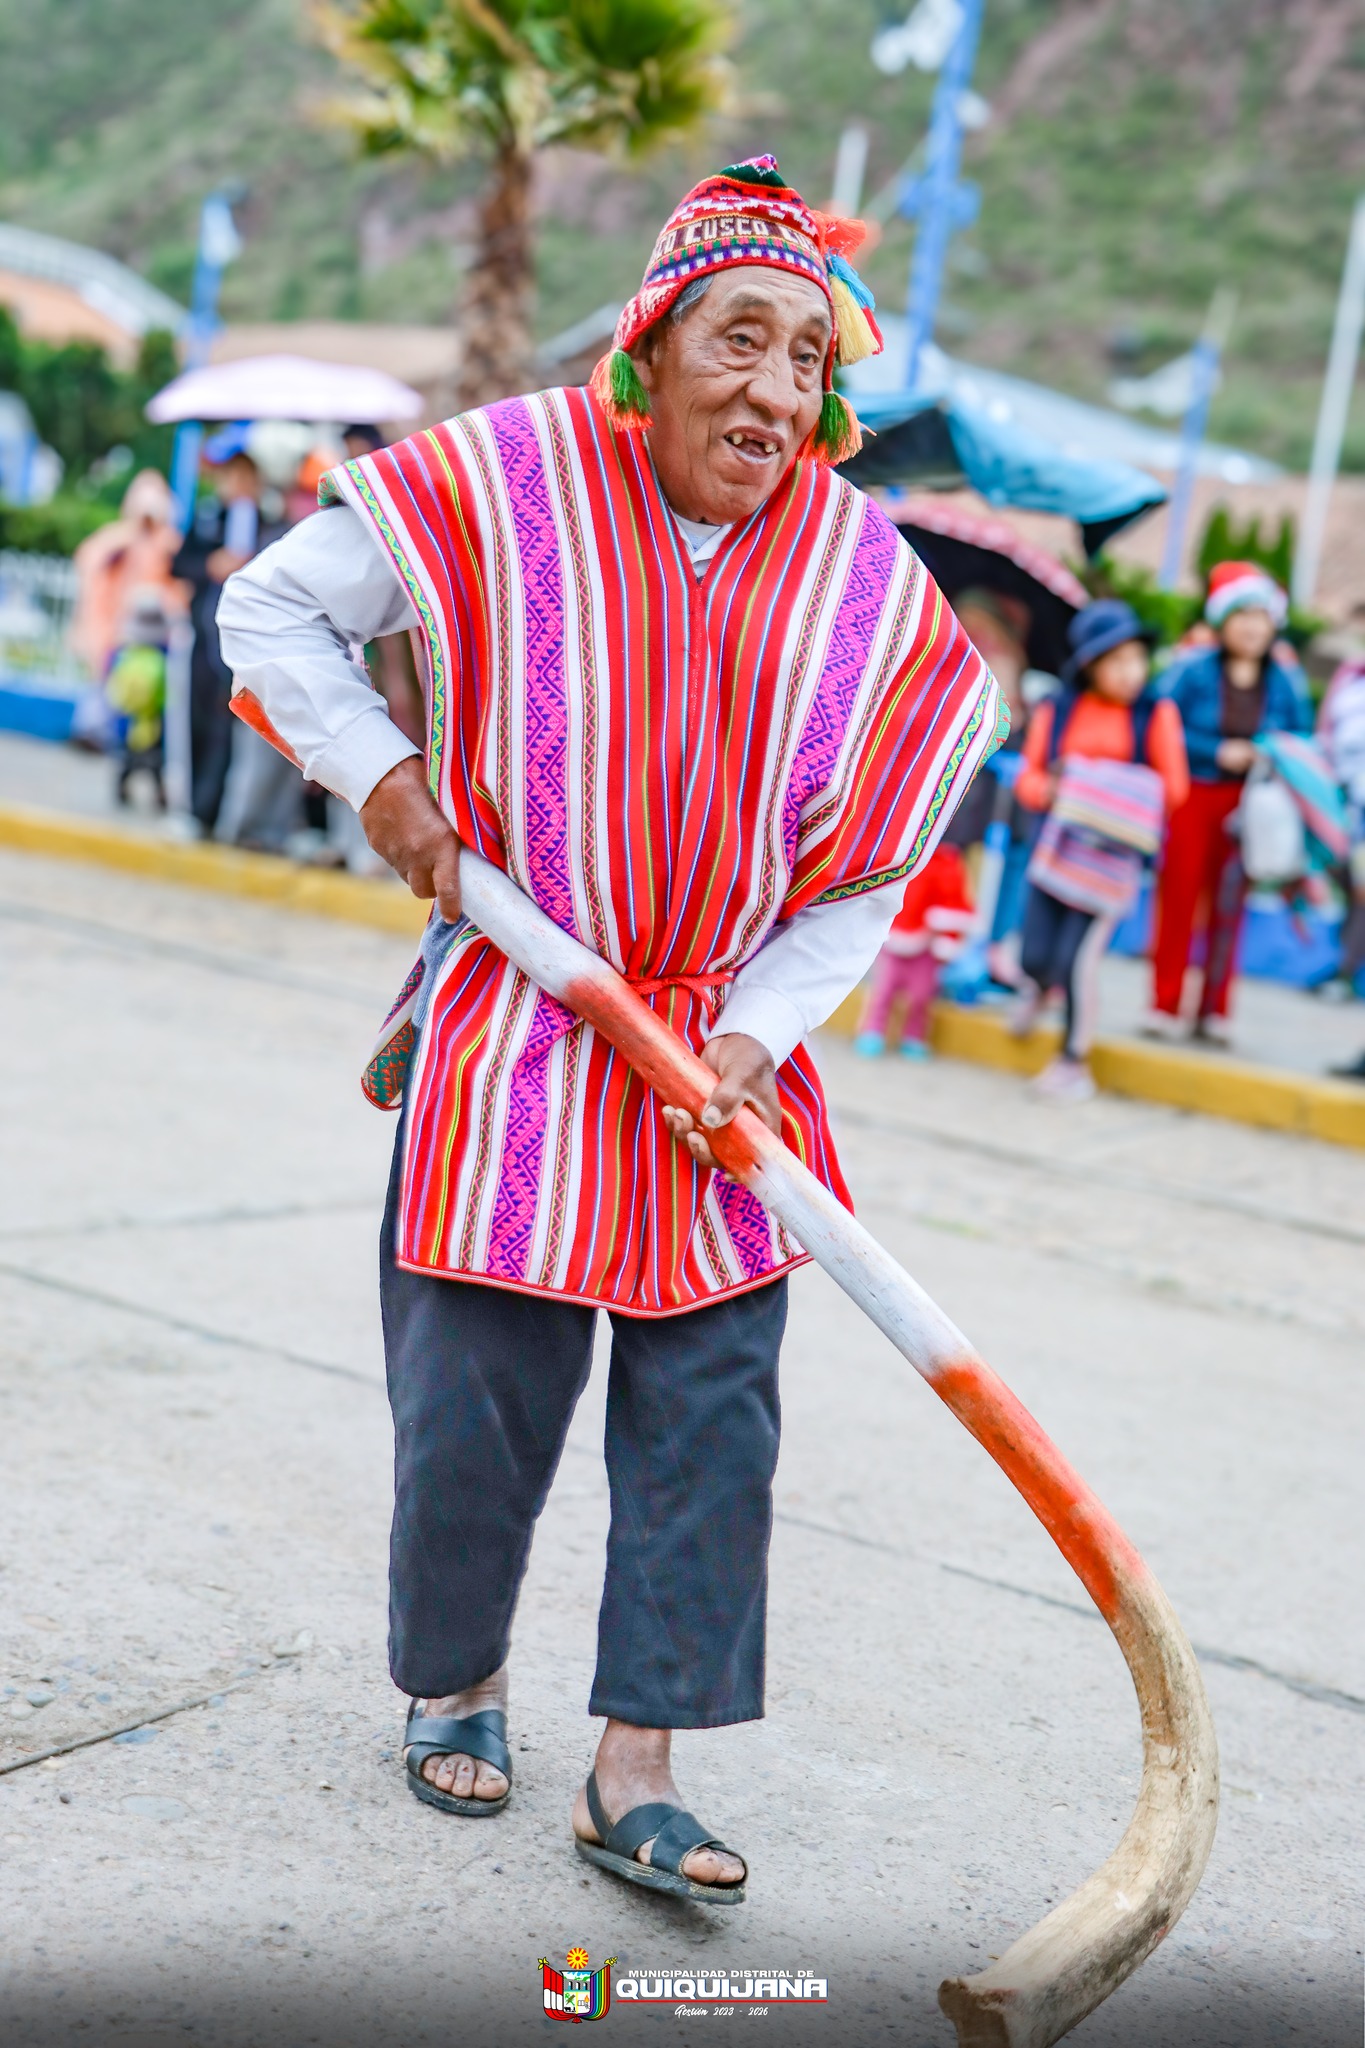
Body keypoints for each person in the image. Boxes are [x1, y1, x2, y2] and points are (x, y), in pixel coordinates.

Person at [218, 156, 1003, 1900]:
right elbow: (269, 611)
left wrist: (757, 1032)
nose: (776, 389)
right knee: (476, 1407)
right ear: (648, 352)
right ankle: (458, 1684)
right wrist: (387, 779)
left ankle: (637, 1767)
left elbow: (871, 866)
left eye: (809, 357)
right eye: (741, 340)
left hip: (723, 1059)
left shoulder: (865, 583)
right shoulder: (505, 476)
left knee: (714, 1422)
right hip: (521, 1024)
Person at [1014, 599, 1188, 1101]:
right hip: (1055, 852)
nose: (1131, 672)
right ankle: (1038, 990)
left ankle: (1074, 1060)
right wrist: (1052, 789)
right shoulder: (1058, 709)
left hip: (1110, 865)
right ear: (1090, 665)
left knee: (1076, 961)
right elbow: (1030, 777)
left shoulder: (1156, 714)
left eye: (1137, 659)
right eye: (1117, 661)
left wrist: (1091, 785)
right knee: (1035, 955)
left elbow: (1173, 788)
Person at [1148, 561, 1311, 1044]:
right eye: (1243, 615)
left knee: (1230, 906)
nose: (1251, 627)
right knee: (1178, 899)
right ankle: (1164, 1003)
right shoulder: (1192, 670)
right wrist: (1216, 751)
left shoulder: (1285, 681)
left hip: (1251, 804)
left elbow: (1300, 738)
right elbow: (1162, 725)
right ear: (1224, 620)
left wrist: (1269, 751)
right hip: (1194, 794)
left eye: (1261, 617)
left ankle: (1215, 1010)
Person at [171, 430, 266, 834]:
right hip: (203, 636)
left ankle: (221, 813)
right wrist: (211, 563)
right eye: (233, 477)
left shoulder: (269, 525)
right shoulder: (209, 519)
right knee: (197, 720)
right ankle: (195, 810)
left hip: (245, 643)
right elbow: (179, 564)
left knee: (232, 728)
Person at [853, 843, 974, 1058]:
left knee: (921, 996)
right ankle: (873, 1031)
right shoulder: (905, 852)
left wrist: (946, 938)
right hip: (894, 936)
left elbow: (952, 902)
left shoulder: (946, 864)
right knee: (883, 991)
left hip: (927, 942)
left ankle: (914, 1036)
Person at [70, 468, 186, 681]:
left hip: (153, 645)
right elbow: (87, 560)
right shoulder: (116, 538)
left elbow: (180, 591)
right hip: (112, 642)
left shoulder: (169, 544)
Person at [1316, 656, 1365, 1000]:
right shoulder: (1351, 673)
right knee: (1345, 879)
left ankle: (1345, 972)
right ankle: (1343, 965)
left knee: (1363, 887)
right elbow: (1327, 727)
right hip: (1341, 795)